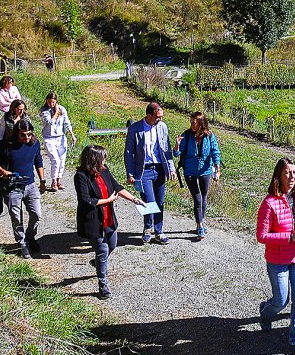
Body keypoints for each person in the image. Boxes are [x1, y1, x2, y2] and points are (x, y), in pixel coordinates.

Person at [257, 157, 295, 355]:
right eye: (287, 173)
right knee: (281, 301)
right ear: (279, 175)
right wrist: (290, 237)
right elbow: (262, 235)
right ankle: (266, 312)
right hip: (278, 261)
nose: (291, 177)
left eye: (294, 172)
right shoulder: (269, 202)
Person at [74, 144, 145, 298]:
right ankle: (103, 285)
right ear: (93, 160)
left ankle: (99, 263)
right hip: (93, 220)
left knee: (112, 244)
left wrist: (134, 199)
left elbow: (116, 186)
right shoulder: (81, 176)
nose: (104, 162)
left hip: (108, 218)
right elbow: (86, 200)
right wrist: (108, 199)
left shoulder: (104, 171)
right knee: (102, 250)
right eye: (102, 159)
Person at [0, 120, 47, 258]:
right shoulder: (5, 145)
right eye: (22, 135)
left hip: (30, 185)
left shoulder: (35, 143)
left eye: (29, 135)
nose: (26, 138)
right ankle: (22, 243)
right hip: (12, 187)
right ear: (16, 134)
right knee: (16, 217)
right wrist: (3, 171)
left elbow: (38, 161)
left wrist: (42, 180)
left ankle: (30, 237)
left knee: (36, 214)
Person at [123, 102, 174, 245]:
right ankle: (147, 227)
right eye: (158, 117)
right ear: (149, 115)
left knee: (160, 201)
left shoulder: (162, 127)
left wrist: (171, 168)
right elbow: (128, 153)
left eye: (162, 117)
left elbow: (166, 149)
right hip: (143, 170)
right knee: (149, 201)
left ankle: (159, 231)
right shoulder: (135, 129)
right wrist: (130, 173)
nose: (160, 120)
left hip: (159, 169)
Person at [176, 112, 221, 241]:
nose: (192, 125)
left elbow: (215, 151)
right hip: (190, 171)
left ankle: (200, 221)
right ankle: (200, 226)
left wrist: (217, 169)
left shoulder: (209, 135)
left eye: (194, 122)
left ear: (201, 123)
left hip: (205, 171)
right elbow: (176, 153)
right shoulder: (187, 135)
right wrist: (177, 144)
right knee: (197, 198)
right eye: (191, 122)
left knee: (204, 197)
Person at [39, 91, 76, 191]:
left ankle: (59, 179)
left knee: (62, 160)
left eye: (53, 102)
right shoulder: (44, 111)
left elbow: (67, 122)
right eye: (50, 102)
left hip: (61, 137)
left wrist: (72, 134)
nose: (51, 104)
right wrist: (55, 113)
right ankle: (54, 180)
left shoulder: (62, 109)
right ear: (47, 101)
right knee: (55, 160)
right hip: (49, 138)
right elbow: (50, 122)